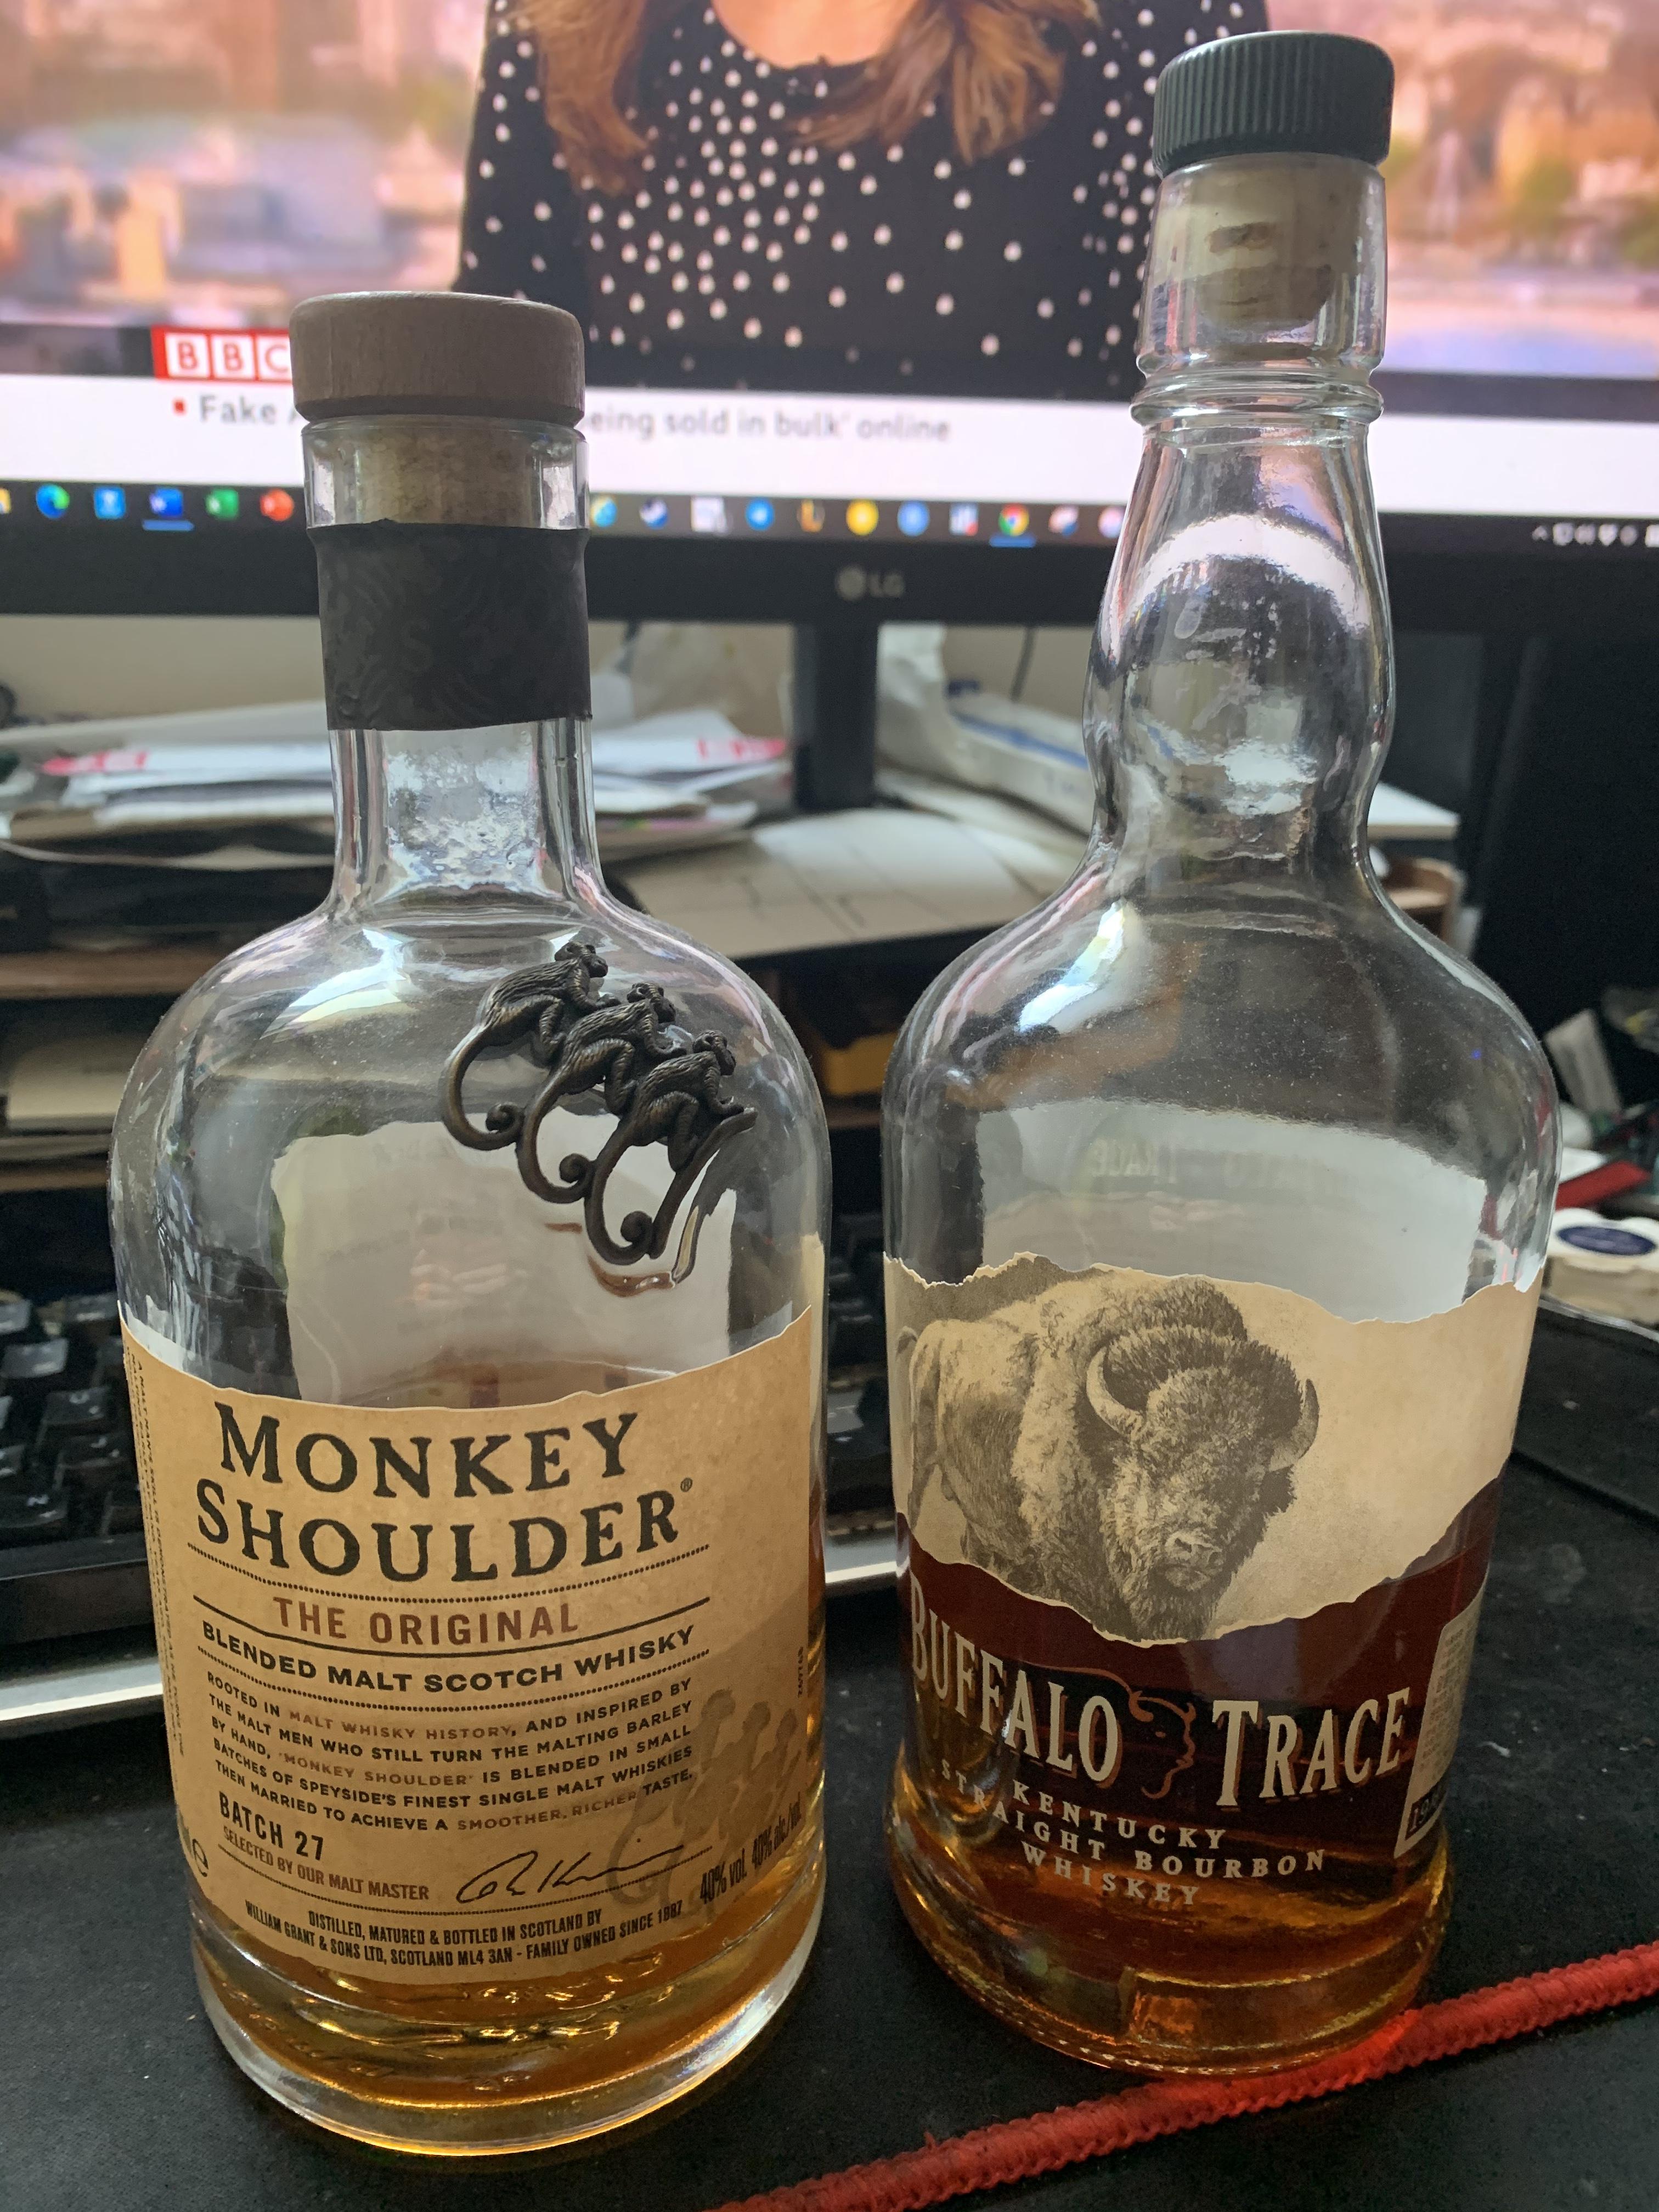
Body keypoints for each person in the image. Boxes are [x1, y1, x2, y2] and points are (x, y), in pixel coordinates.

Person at [458, 0, 1267, 399]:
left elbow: (1233, 446)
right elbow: (487, 437)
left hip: (1050, 643)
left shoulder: (1159, 24)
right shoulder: (557, 25)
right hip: (669, 652)